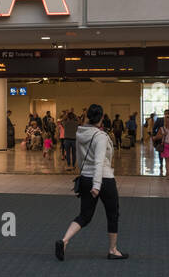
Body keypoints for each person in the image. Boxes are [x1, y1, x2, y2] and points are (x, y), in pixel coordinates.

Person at [55, 104, 128, 261]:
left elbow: (80, 159)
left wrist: (85, 175)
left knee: (85, 215)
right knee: (112, 213)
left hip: (86, 178)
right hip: (103, 179)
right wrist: (97, 185)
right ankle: (113, 250)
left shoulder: (80, 133)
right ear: (101, 118)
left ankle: (64, 241)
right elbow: (99, 162)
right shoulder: (100, 137)